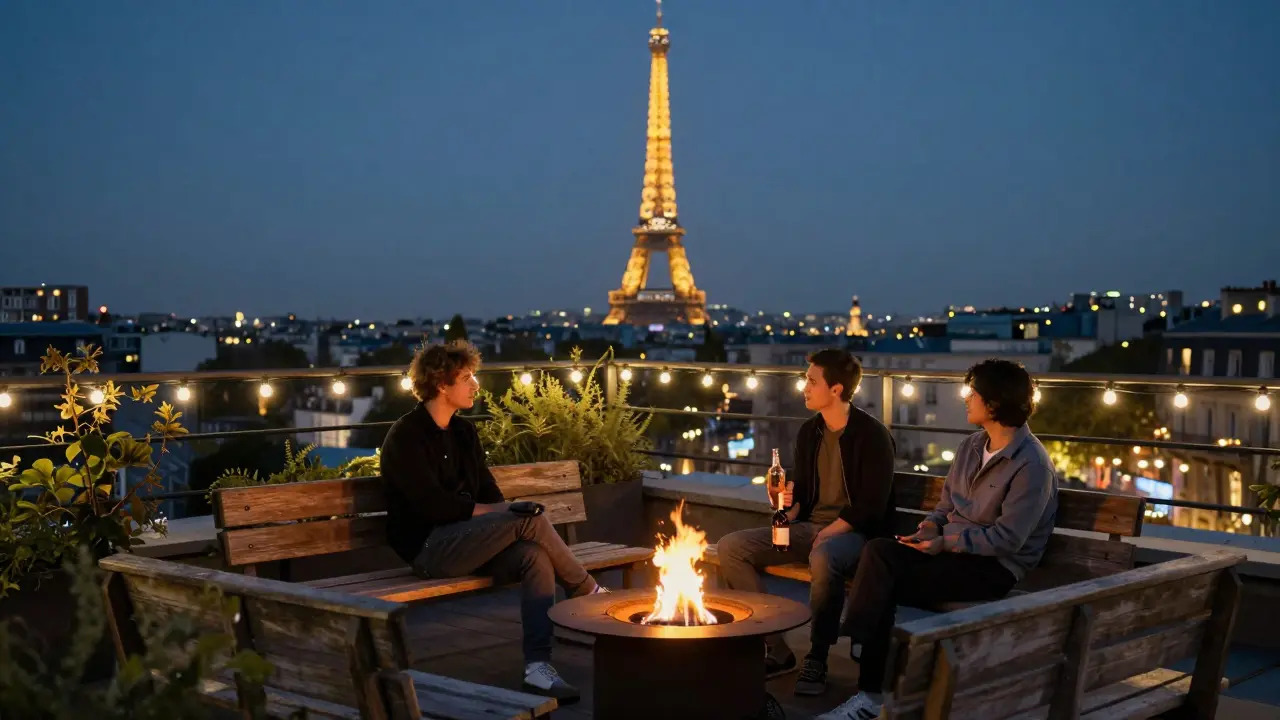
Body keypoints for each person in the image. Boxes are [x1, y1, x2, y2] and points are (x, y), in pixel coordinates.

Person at [817, 359, 1059, 720]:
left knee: (883, 570)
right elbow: (945, 507)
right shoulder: (973, 446)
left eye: (971, 393)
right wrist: (930, 528)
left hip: (993, 568)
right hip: (952, 554)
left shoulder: (1031, 466)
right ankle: (869, 667)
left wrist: (946, 541)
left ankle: (868, 684)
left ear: (993, 403)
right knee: (881, 552)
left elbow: (1007, 540)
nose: (965, 399)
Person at [379, 341, 604, 704]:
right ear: (441, 384)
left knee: (534, 554)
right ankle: (589, 594)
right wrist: (502, 514)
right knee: (528, 519)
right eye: (467, 378)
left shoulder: (464, 433)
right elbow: (432, 508)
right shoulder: (406, 436)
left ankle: (538, 667)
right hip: (430, 549)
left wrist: (505, 512)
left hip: (470, 543)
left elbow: (489, 492)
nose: (475, 386)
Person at [716, 348, 896, 696]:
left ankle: (818, 654)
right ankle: (775, 647)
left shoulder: (872, 435)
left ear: (836, 390)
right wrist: (788, 505)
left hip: (856, 534)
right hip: (811, 528)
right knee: (732, 547)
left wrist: (828, 532)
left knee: (824, 555)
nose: (805, 387)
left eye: (812, 381)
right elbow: (802, 495)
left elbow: (872, 507)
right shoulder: (810, 432)